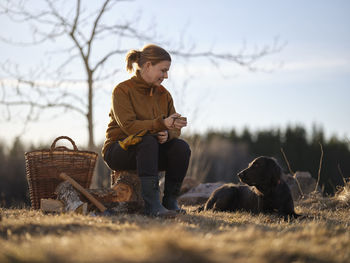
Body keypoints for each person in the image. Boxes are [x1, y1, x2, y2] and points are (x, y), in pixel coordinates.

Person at [102, 44, 191, 217]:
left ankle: (170, 201)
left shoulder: (164, 94)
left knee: (181, 147)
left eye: (167, 71)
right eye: (163, 70)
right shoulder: (122, 91)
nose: (166, 76)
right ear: (148, 65)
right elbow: (129, 126)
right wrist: (161, 124)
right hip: (119, 149)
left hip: (151, 151)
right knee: (147, 140)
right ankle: (152, 205)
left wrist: (168, 134)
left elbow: (173, 127)